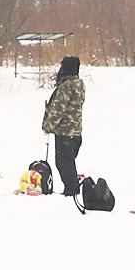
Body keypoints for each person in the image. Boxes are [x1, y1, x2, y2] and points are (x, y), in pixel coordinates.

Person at [42, 56, 85, 198]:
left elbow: (57, 110)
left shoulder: (66, 86)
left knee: (64, 164)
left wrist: (48, 127)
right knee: (68, 163)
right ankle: (72, 188)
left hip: (65, 132)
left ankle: (72, 191)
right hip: (75, 132)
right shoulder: (78, 84)